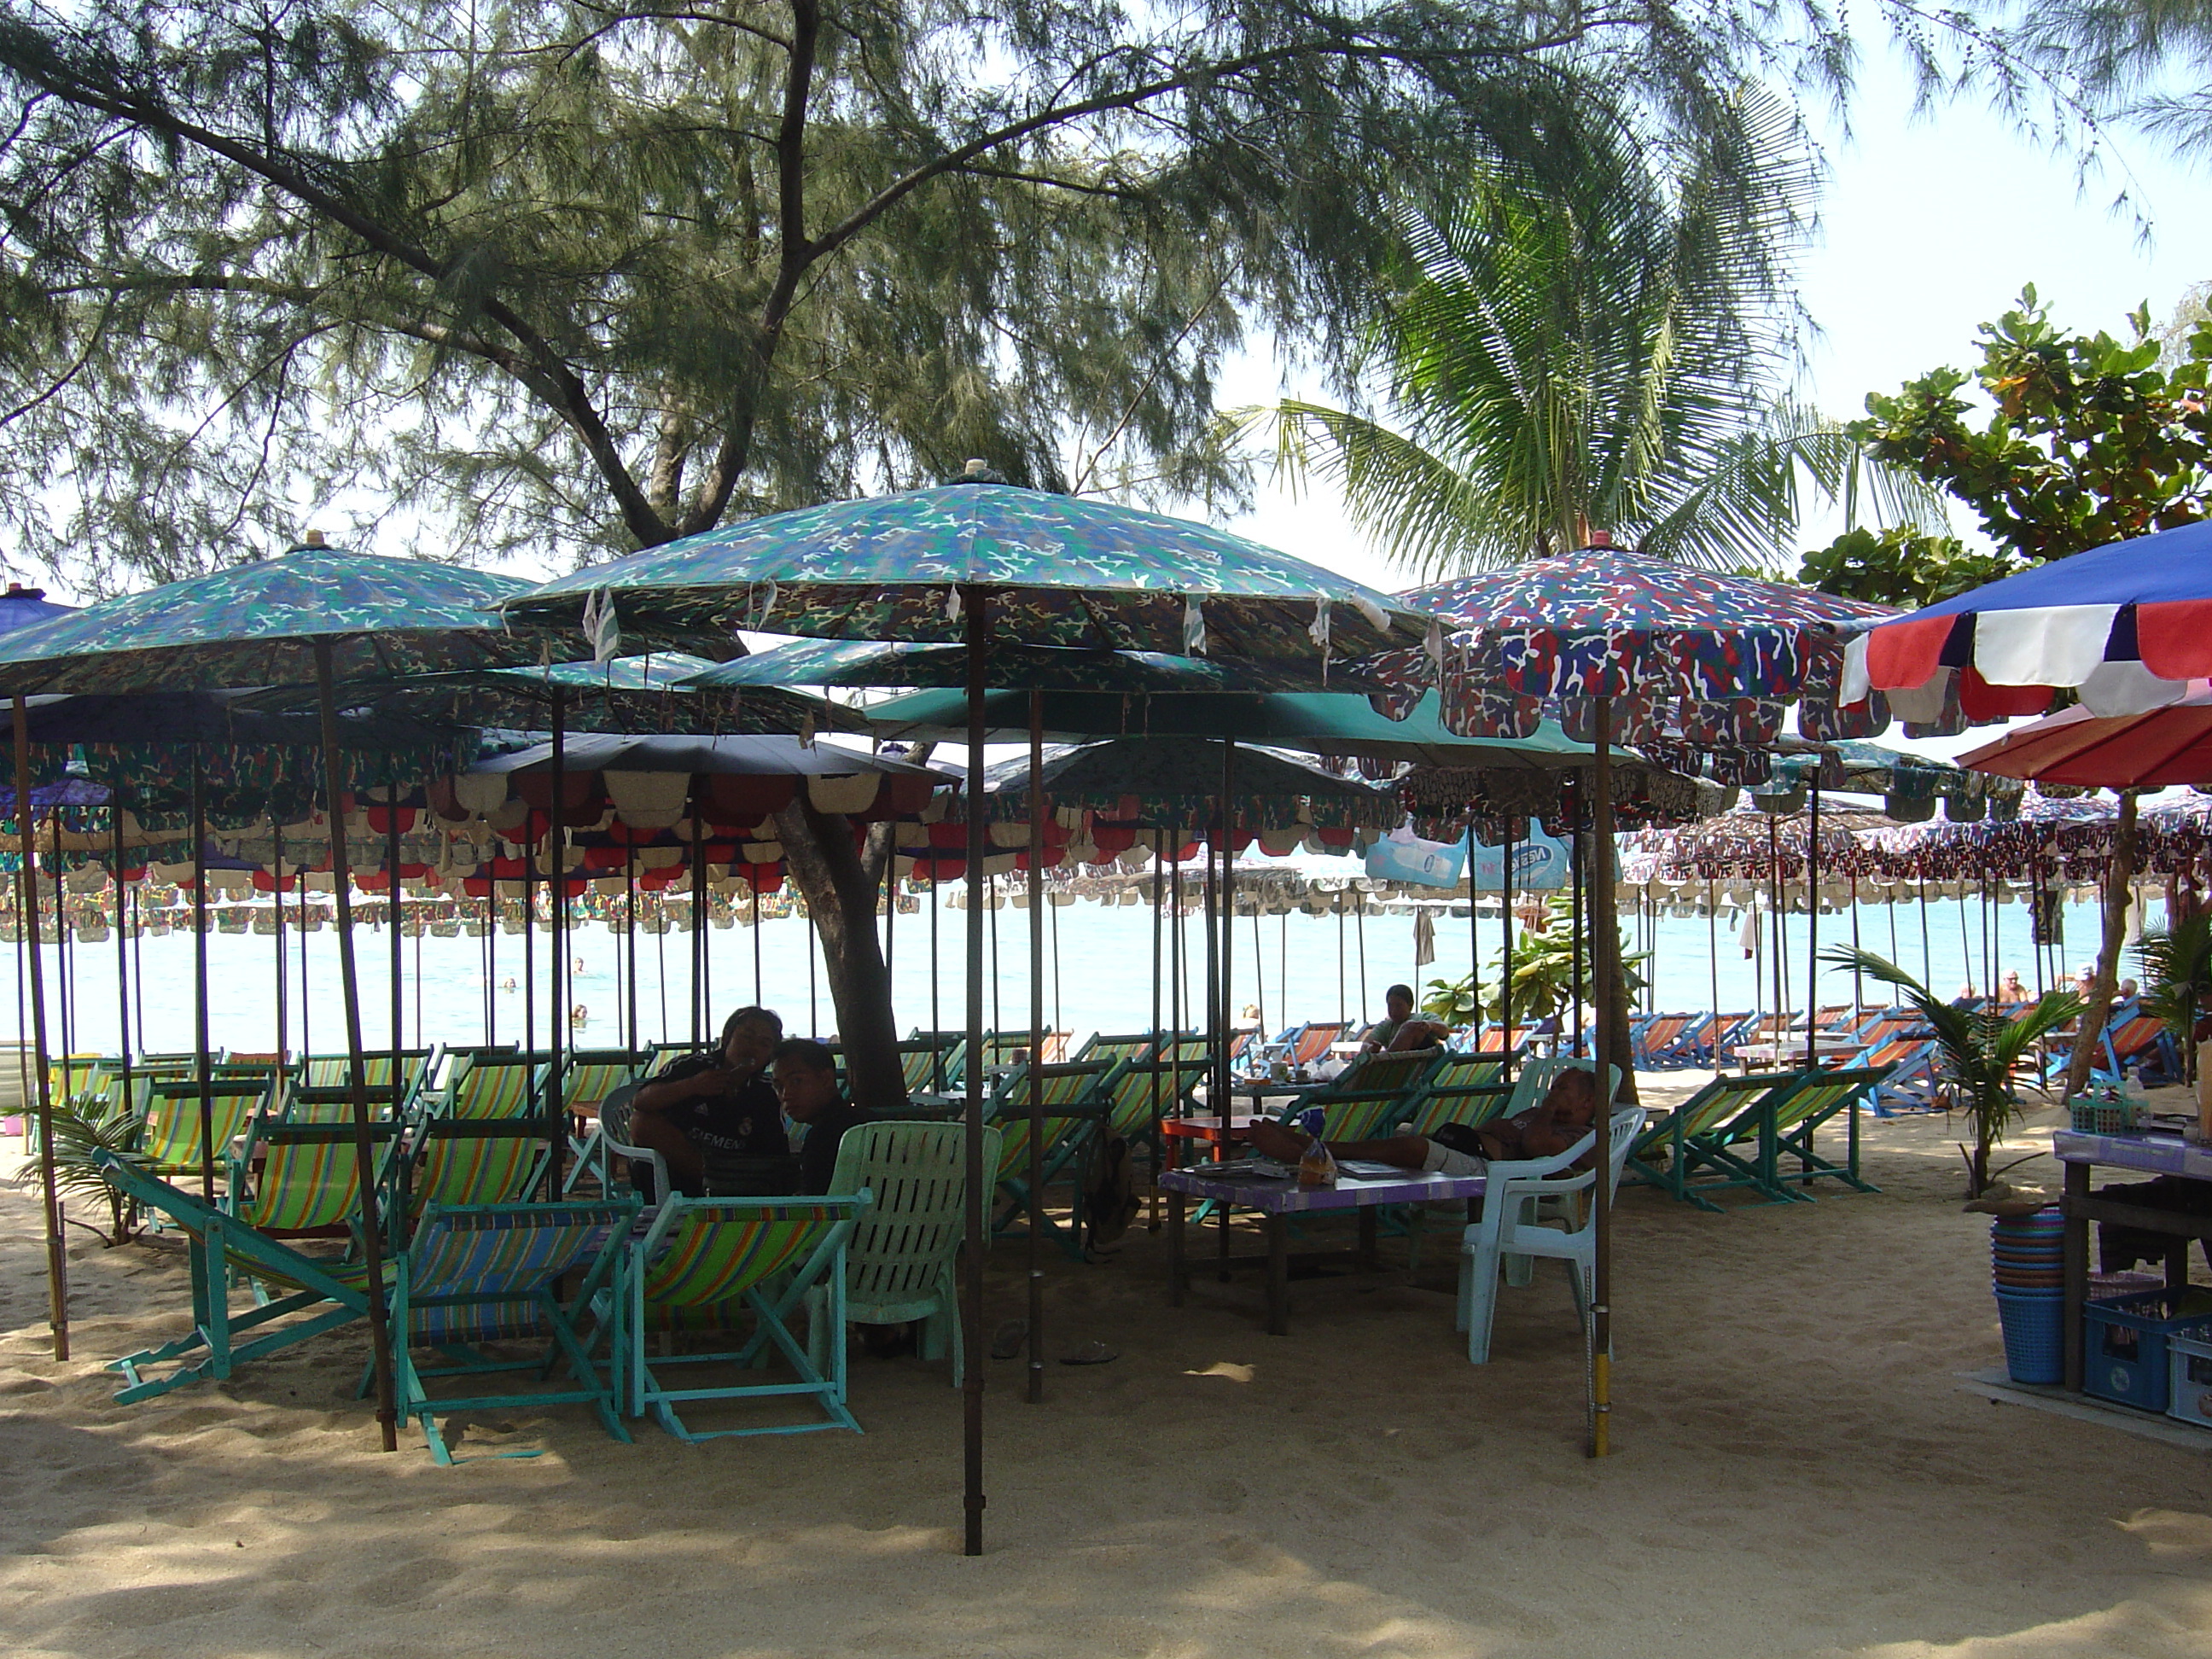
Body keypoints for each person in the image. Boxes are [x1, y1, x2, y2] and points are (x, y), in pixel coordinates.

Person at [1249, 1066, 1601, 1178]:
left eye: (1562, 1089)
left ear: (1587, 1102)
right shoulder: (1545, 1117)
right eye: (1553, 1088)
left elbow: (1538, 1149)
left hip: (1489, 1172)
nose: (1553, 1093)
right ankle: (1313, 1152)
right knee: (1402, 1149)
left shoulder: (1579, 1135)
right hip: (1468, 1149)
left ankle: (1316, 1154)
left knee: (1412, 1146)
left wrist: (1546, 1110)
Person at [626, 1006, 787, 1196]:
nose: (752, 1047)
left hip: (737, 1174)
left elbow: (775, 1151)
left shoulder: (766, 1091)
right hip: (674, 1174)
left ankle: (722, 1186)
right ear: (727, 1037)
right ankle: (718, 1185)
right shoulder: (691, 1066)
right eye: (746, 1037)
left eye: (764, 1043)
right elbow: (641, 1102)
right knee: (642, 1122)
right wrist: (691, 1086)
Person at [771, 1037, 871, 1193]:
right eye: (779, 1086)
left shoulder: (824, 1138)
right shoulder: (866, 1123)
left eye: (797, 1081)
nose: (786, 1094)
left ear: (826, 1079)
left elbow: (813, 1205)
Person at [1360, 984, 1447, 1054]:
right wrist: (1370, 1048)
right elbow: (1367, 1043)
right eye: (1390, 1006)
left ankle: (1389, 1059)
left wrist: (1430, 1026)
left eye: (1398, 1006)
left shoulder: (1424, 1017)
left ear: (1410, 1005)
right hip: (1400, 1069)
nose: (1394, 1011)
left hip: (1423, 1065)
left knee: (1410, 1026)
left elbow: (1444, 1033)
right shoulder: (1386, 1026)